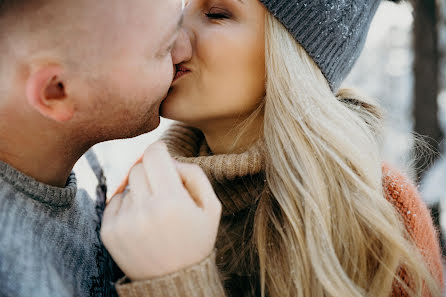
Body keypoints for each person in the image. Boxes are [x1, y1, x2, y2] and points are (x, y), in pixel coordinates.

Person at [102, 0, 445, 296]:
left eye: (218, 13)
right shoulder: (144, 193)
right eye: (181, 11)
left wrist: (178, 285)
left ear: (293, 54)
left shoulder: (378, 213)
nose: (172, 40)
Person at [0, 0, 222, 296]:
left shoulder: (91, 153)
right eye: (164, 47)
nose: (183, 51)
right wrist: (180, 284)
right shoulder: (16, 277)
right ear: (57, 91)